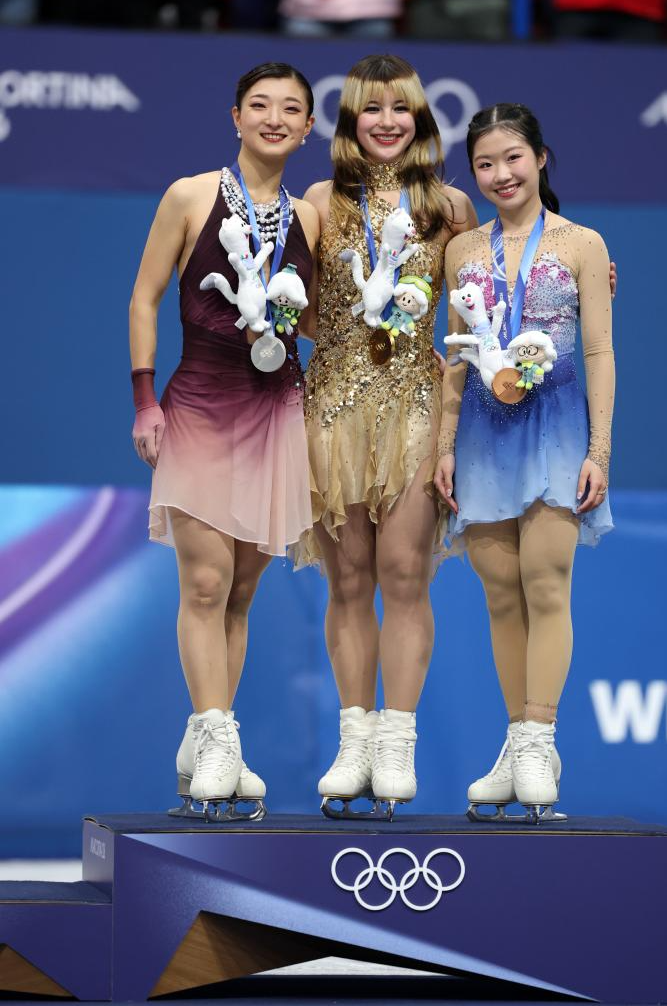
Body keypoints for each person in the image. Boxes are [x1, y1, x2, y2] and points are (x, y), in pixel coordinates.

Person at [128, 62, 319, 817]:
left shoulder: (309, 217)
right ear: (235, 117)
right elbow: (144, 298)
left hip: (275, 412)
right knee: (205, 584)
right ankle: (215, 735)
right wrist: (144, 400)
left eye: (291, 109)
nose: (275, 118)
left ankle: (211, 737)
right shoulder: (190, 195)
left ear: (308, 128)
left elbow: (322, 320)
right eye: (260, 105)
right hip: (200, 406)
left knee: (241, 590)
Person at [294, 54, 478, 817]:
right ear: (349, 120)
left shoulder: (450, 207)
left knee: (404, 576)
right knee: (348, 582)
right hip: (333, 408)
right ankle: (354, 739)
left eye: (399, 108)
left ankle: (396, 741)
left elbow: (481, 306)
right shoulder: (319, 201)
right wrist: (344, 335)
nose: (386, 122)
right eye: (371, 108)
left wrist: (580, 283)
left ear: (420, 118)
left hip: (414, 407)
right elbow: (293, 304)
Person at [434, 103, 614, 822]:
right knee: (500, 594)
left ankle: (539, 741)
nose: (500, 174)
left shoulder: (582, 244)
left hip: (557, 430)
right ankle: (516, 747)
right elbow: (454, 356)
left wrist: (599, 450)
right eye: (484, 163)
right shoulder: (460, 250)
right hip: (482, 435)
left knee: (546, 583)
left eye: (512, 157)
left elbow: (598, 350)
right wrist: (443, 446)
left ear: (540, 158)